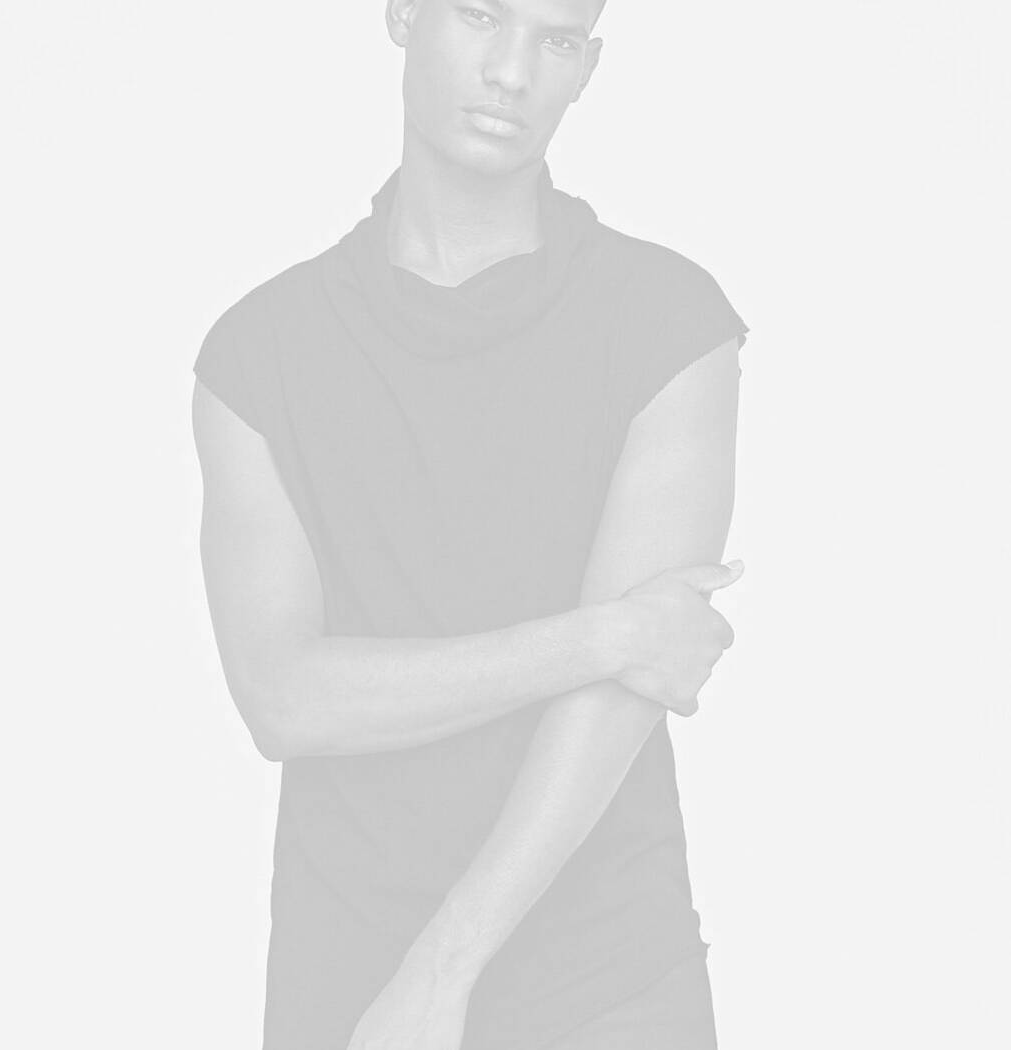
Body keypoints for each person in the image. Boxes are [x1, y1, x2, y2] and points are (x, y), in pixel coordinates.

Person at [192, 2, 750, 1047]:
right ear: (403, 13)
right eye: (482, 14)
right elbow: (285, 700)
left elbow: (618, 705)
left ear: (589, 67)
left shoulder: (669, 323)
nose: (512, 71)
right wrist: (604, 636)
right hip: (345, 985)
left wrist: (441, 970)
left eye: (556, 39)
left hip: (609, 986)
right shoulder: (258, 358)